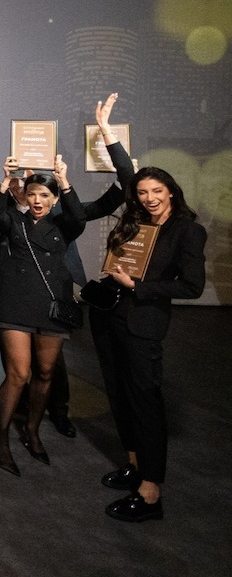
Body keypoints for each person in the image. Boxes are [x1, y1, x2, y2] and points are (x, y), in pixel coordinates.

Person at [94, 167, 206, 522]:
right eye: (142, 192)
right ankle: (134, 465)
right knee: (119, 395)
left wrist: (138, 287)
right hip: (110, 317)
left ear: (171, 191)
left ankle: (150, 491)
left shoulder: (188, 230)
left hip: (144, 323)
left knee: (146, 402)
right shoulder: (135, 222)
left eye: (156, 191)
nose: (149, 198)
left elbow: (192, 286)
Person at [0, 155, 84, 476]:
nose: (37, 201)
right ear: (25, 196)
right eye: (32, 195)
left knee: (45, 372)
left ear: (54, 199)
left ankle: (32, 430)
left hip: (52, 305)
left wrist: (64, 180)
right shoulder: (15, 220)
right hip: (15, 303)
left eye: (44, 195)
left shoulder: (63, 225)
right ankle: (1, 436)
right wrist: (5, 179)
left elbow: (79, 217)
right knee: (18, 374)